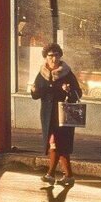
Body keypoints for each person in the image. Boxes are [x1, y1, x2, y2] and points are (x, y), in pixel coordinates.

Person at [30, 43, 82, 187]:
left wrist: (69, 90)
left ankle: (50, 174)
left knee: (56, 144)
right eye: (50, 56)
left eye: (56, 55)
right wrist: (34, 90)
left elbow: (78, 93)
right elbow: (36, 95)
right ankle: (69, 176)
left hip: (63, 114)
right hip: (48, 115)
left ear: (60, 56)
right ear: (46, 57)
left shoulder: (67, 73)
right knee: (60, 146)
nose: (53, 59)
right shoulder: (42, 73)